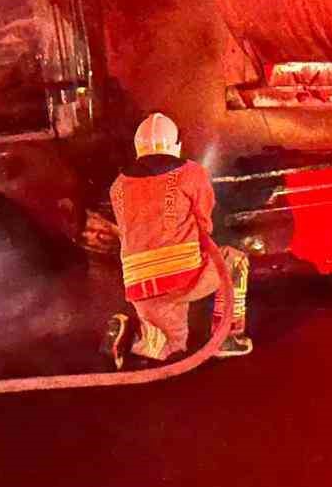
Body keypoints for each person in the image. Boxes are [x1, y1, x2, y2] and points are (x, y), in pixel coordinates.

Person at [103, 112, 252, 367]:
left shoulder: (118, 185)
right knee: (235, 261)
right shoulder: (192, 173)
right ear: (176, 146)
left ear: (138, 148)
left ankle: (132, 335)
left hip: (138, 286)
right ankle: (227, 336)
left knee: (171, 347)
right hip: (183, 277)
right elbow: (204, 225)